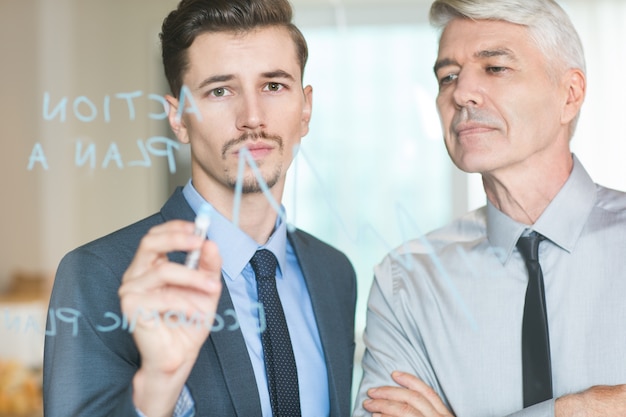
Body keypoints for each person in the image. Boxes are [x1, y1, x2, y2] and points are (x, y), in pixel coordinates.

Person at [43, 1, 357, 416]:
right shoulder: (97, 275)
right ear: (178, 119)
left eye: (274, 86)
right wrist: (157, 384)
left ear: (305, 108)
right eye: (220, 90)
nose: (252, 117)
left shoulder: (336, 275)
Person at [353, 0, 626, 416]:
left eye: (494, 68)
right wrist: (579, 409)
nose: (461, 92)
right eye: (447, 76)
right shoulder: (405, 282)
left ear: (569, 95)